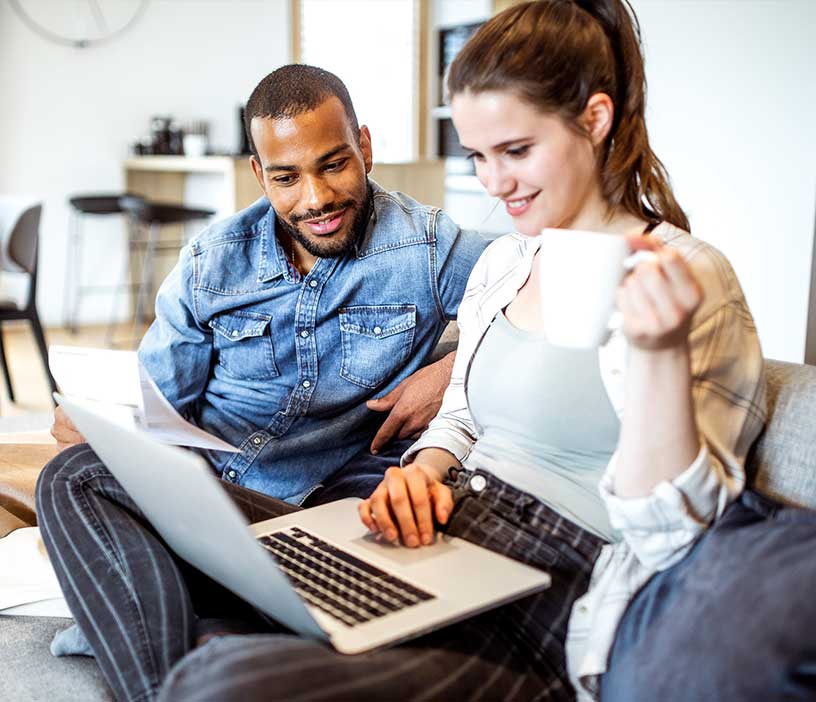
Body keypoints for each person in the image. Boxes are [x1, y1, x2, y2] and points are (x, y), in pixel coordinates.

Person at [129, 1, 769, 700]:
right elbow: (462, 421)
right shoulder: (508, 266)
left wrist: (658, 358)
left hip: (545, 596)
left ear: (595, 119)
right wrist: (423, 471)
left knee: (221, 680)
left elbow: (685, 537)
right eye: (478, 157)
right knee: (92, 485)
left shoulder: (689, 280)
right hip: (440, 541)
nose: (493, 185)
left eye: (516, 152)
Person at [36, 64, 487, 701]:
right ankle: (197, 651)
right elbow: (155, 408)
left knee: (411, 538)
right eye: (286, 176)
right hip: (219, 513)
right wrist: (101, 425)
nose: (316, 198)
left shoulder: (424, 245)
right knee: (74, 475)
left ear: (365, 145)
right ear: (258, 173)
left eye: (335, 164)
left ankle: (165, 634)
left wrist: (450, 369)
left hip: (334, 518)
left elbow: (537, 278)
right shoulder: (210, 264)